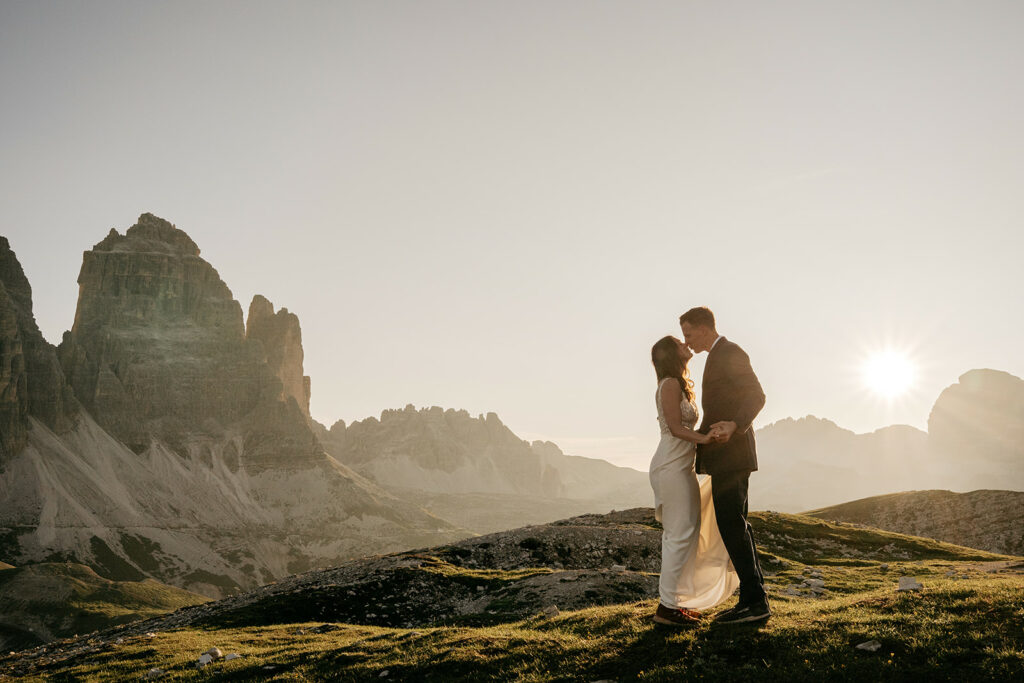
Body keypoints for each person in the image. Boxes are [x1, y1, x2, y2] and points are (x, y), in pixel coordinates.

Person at [679, 306, 769, 625]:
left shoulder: (730, 352)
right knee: (734, 524)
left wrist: (735, 425)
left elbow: (757, 395)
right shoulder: (716, 356)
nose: (686, 341)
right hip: (723, 453)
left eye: (689, 334)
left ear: (704, 329)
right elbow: (714, 412)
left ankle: (755, 602)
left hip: (733, 453)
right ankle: (753, 598)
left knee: (733, 524)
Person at [649, 335, 740, 626]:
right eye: (679, 342)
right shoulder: (670, 384)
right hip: (671, 465)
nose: (685, 344)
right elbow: (675, 428)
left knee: (685, 531)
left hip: (682, 466)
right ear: (670, 353)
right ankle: (666, 608)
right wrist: (705, 438)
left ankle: (675, 602)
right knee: (679, 534)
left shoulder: (678, 383)